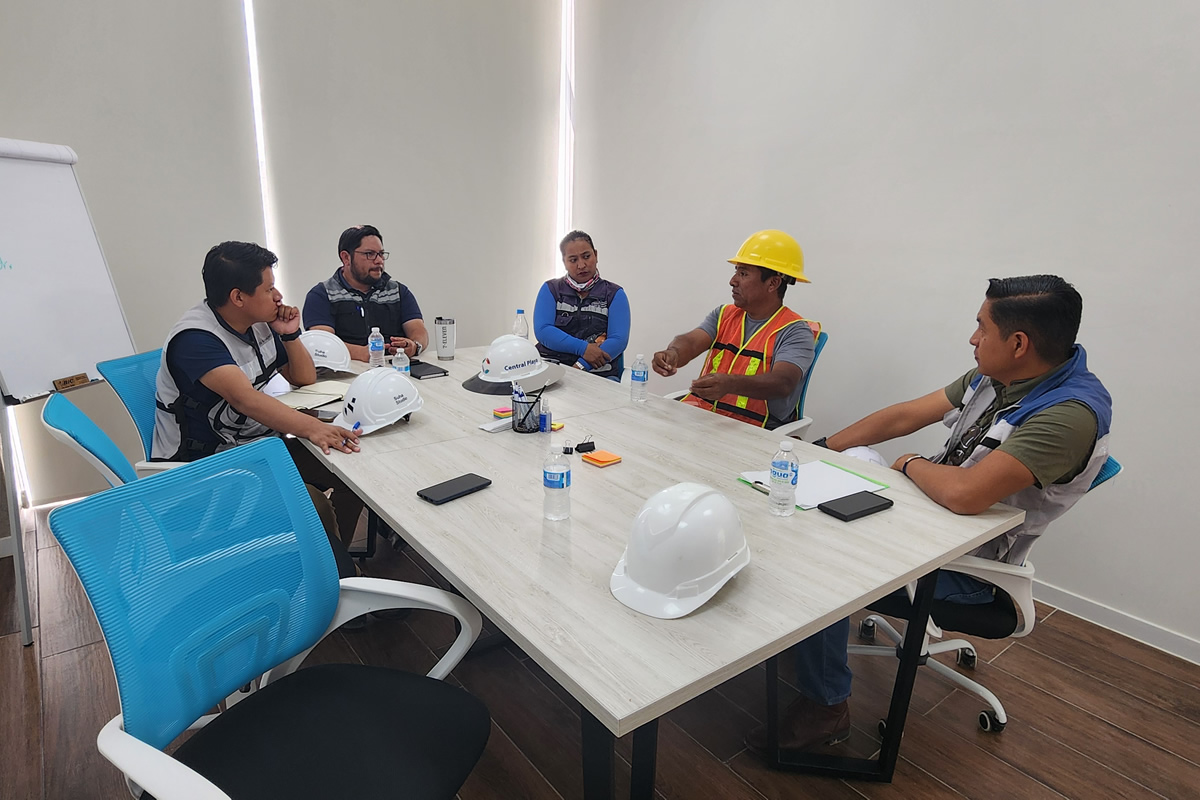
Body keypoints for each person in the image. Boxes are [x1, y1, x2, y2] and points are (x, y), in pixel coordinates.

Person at [746, 274, 1112, 754]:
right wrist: (821, 448)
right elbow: (904, 416)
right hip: (927, 518)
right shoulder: (1001, 376)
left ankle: (826, 706)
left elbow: (966, 495)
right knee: (833, 480)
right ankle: (812, 638)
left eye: (982, 327)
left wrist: (909, 462)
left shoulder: (1068, 414)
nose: (973, 339)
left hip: (968, 565)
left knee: (820, 559)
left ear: (1019, 343)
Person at [152, 241, 366, 552]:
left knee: (353, 473)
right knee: (310, 503)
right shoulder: (195, 340)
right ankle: (324, 570)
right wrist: (315, 428)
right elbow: (246, 400)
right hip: (208, 466)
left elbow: (303, 377)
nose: (278, 296)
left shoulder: (257, 324)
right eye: (269, 289)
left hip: (256, 446)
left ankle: (333, 562)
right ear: (238, 297)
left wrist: (290, 334)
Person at [652, 229, 820, 429]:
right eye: (736, 272)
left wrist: (730, 384)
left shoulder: (795, 332)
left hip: (752, 430)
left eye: (743, 273)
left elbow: (783, 382)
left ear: (773, 283)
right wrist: (673, 353)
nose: (733, 281)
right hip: (705, 418)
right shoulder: (724, 314)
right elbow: (692, 341)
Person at [303, 224, 429, 362]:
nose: (379, 261)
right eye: (370, 254)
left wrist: (414, 346)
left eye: (381, 254)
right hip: (346, 369)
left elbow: (418, 330)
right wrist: (362, 353)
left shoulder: (398, 291)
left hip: (395, 367)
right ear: (346, 258)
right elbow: (322, 344)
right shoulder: (322, 295)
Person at [533, 230, 630, 380]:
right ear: (564, 262)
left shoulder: (614, 294)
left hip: (598, 374)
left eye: (586, 256)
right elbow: (543, 331)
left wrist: (580, 366)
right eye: (573, 260)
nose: (581, 265)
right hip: (552, 370)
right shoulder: (551, 289)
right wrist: (583, 349)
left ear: (595, 255)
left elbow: (618, 340)